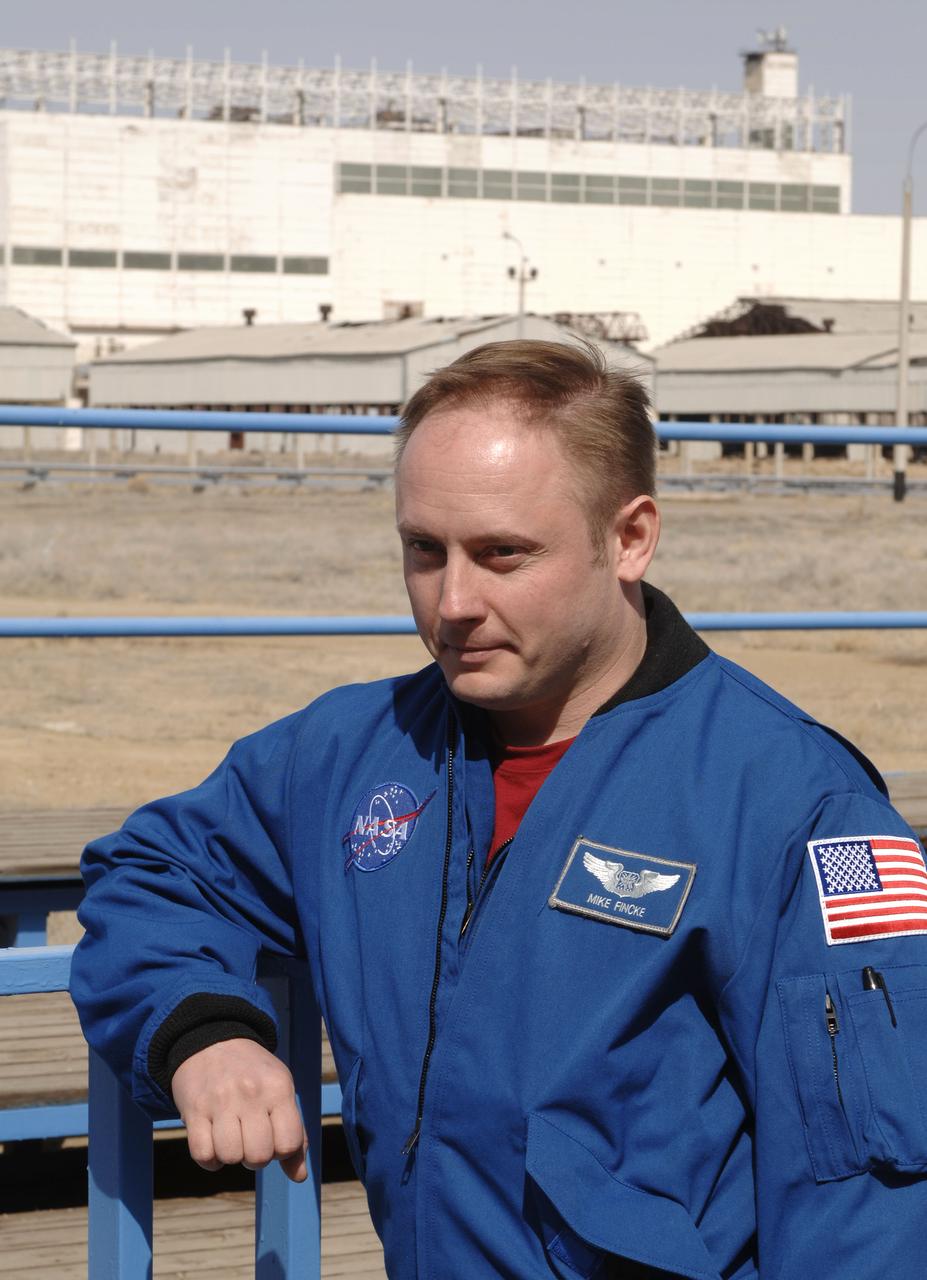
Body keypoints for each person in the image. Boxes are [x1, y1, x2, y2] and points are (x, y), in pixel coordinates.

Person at [71, 340, 927, 1279]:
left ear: (629, 537)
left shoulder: (790, 803)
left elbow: (867, 1204)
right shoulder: (351, 754)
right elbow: (154, 873)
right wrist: (203, 1032)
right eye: (422, 551)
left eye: (502, 554)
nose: (453, 603)